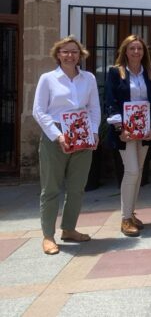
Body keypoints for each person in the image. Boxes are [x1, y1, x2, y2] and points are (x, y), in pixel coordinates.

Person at [32, 36, 100, 255]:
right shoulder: (48, 79)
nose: (70, 55)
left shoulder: (88, 78)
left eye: (74, 52)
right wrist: (57, 135)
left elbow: (94, 108)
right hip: (56, 136)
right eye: (65, 52)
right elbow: (39, 111)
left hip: (82, 134)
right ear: (58, 54)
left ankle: (69, 229)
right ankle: (48, 236)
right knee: (50, 188)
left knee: (77, 187)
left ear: (81, 55)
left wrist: (95, 131)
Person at [106, 35, 151, 237]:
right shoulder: (115, 73)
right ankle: (125, 218)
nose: (136, 52)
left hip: (146, 131)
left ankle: (131, 213)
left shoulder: (150, 73)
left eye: (139, 49)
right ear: (125, 51)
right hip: (125, 132)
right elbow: (111, 101)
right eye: (132, 48)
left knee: (138, 171)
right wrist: (120, 129)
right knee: (130, 170)